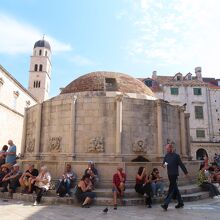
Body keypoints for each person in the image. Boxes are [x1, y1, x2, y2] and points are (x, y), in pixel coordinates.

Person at [161, 144, 188, 211]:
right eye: (166, 149)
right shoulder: (167, 156)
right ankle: (180, 202)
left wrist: (186, 172)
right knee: (175, 189)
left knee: (171, 189)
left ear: (171, 148)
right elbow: (165, 164)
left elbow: (181, 164)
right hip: (169, 174)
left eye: (167, 149)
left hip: (175, 175)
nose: (166, 150)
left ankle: (166, 204)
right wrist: (164, 165)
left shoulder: (176, 156)